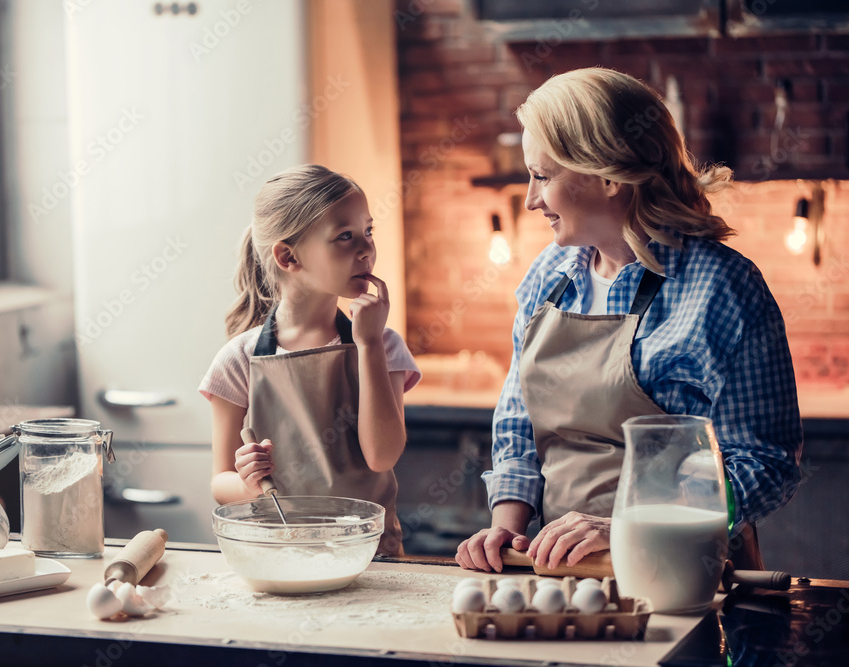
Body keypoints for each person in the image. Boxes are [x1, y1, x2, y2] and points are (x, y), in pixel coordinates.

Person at [456, 67, 802, 573]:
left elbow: (765, 465)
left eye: (543, 177)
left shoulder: (724, 289)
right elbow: (519, 424)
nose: (531, 199)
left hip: (686, 573)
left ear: (610, 176)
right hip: (565, 570)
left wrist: (631, 525)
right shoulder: (547, 276)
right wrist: (507, 526)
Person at [200, 164, 421, 556]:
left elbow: (382, 455)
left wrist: (367, 344)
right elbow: (221, 483)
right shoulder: (238, 360)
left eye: (368, 231)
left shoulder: (383, 346)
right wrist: (248, 484)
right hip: (277, 557)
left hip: (370, 557)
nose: (366, 248)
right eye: (345, 236)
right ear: (288, 257)